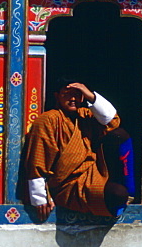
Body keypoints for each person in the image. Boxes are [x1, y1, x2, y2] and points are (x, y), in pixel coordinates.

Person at [23, 77, 130, 220]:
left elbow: (112, 120)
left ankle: (130, 191)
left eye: (77, 94)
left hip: (94, 174)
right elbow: (38, 158)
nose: (73, 98)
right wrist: (39, 199)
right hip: (67, 186)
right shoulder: (49, 119)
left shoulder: (85, 115)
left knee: (119, 135)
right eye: (67, 94)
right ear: (57, 96)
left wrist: (90, 95)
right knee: (116, 195)